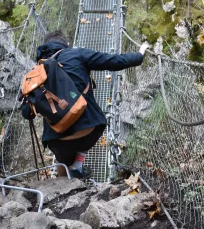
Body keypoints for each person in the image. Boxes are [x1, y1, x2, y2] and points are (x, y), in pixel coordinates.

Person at [32, 30, 149, 178]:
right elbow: (113, 61)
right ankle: (77, 166)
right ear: (67, 45)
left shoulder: (37, 71)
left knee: (62, 164)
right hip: (88, 130)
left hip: (56, 138)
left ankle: (63, 190)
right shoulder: (77, 54)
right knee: (93, 127)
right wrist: (139, 55)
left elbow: (26, 112)